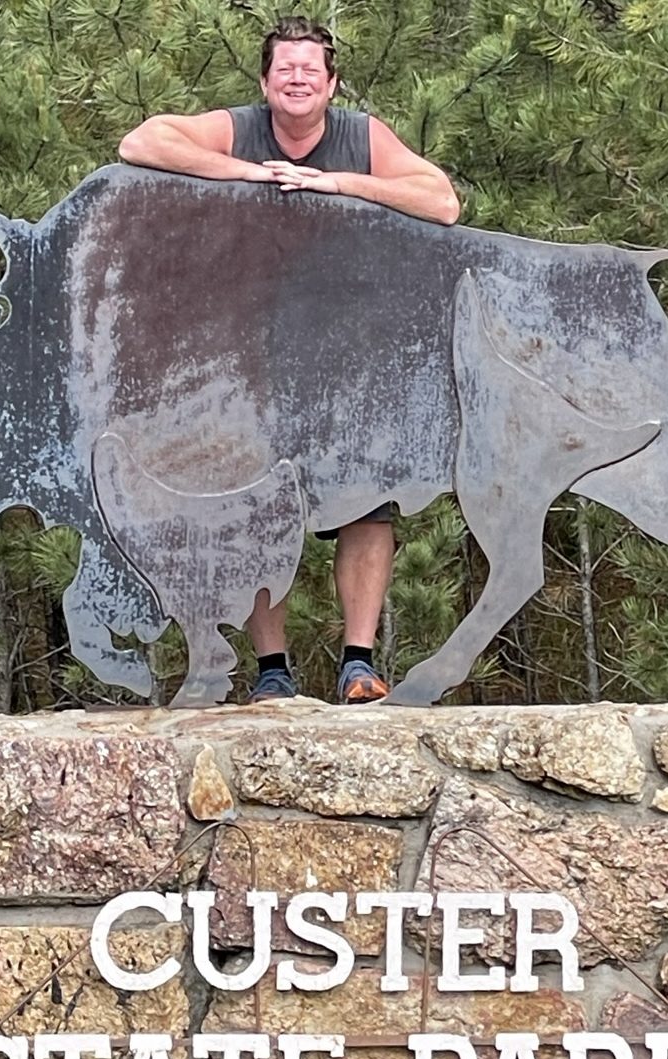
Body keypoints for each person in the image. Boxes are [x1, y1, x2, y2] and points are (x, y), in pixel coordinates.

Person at [118, 15, 461, 705]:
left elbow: (442, 202)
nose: (297, 79)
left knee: (367, 504)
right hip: (253, 354)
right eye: (285, 69)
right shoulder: (239, 129)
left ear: (331, 84)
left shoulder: (360, 137)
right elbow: (141, 142)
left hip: (349, 350)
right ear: (265, 80)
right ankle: (272, 670)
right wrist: (248, 173)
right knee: (257, 507)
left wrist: (340, 184)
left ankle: (359, 664)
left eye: (311, 69)